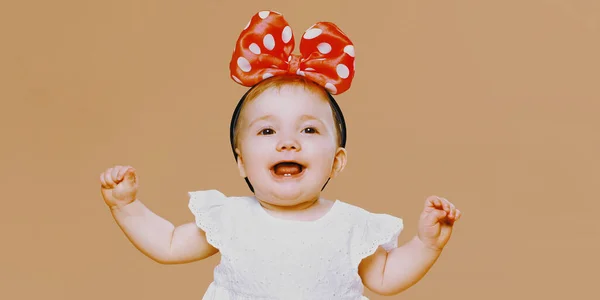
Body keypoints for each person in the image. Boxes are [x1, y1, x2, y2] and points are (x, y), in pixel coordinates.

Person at [99, 10, 462, 300]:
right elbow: (169, 244)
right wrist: (127, 207)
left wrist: (426, 244)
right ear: (241, 160)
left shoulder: (351, 225)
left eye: (308, 130)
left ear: (337, 160)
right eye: (267, 131)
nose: (288, 143)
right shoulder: (230, 218)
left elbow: (384, 278)